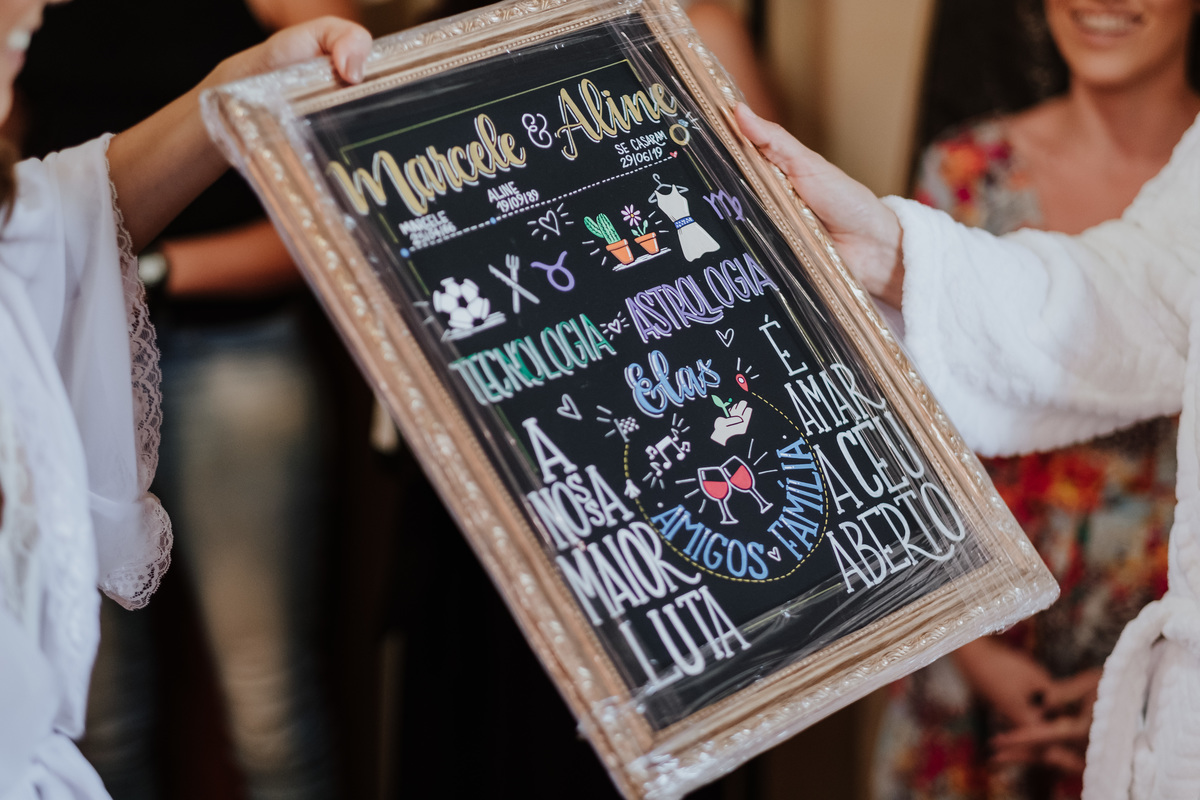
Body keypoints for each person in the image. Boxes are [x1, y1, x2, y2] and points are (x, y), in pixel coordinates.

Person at [735, 45, 1200, 799]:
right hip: (1000, 608)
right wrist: (896, 253)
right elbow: (1138, 296)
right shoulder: (971, 164)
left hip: (1140, 596)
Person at [0, 3, 371, 796]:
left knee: (266, 697)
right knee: (109, 715)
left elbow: (59, 219)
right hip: (73, 356)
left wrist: (239, 84)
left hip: (232, 349)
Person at [871, 1, 1199, 797]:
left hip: (1155, 639)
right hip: (980, 659)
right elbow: (892, 434)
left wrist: (1161, 683)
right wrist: (971, 646)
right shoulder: (966, 172)